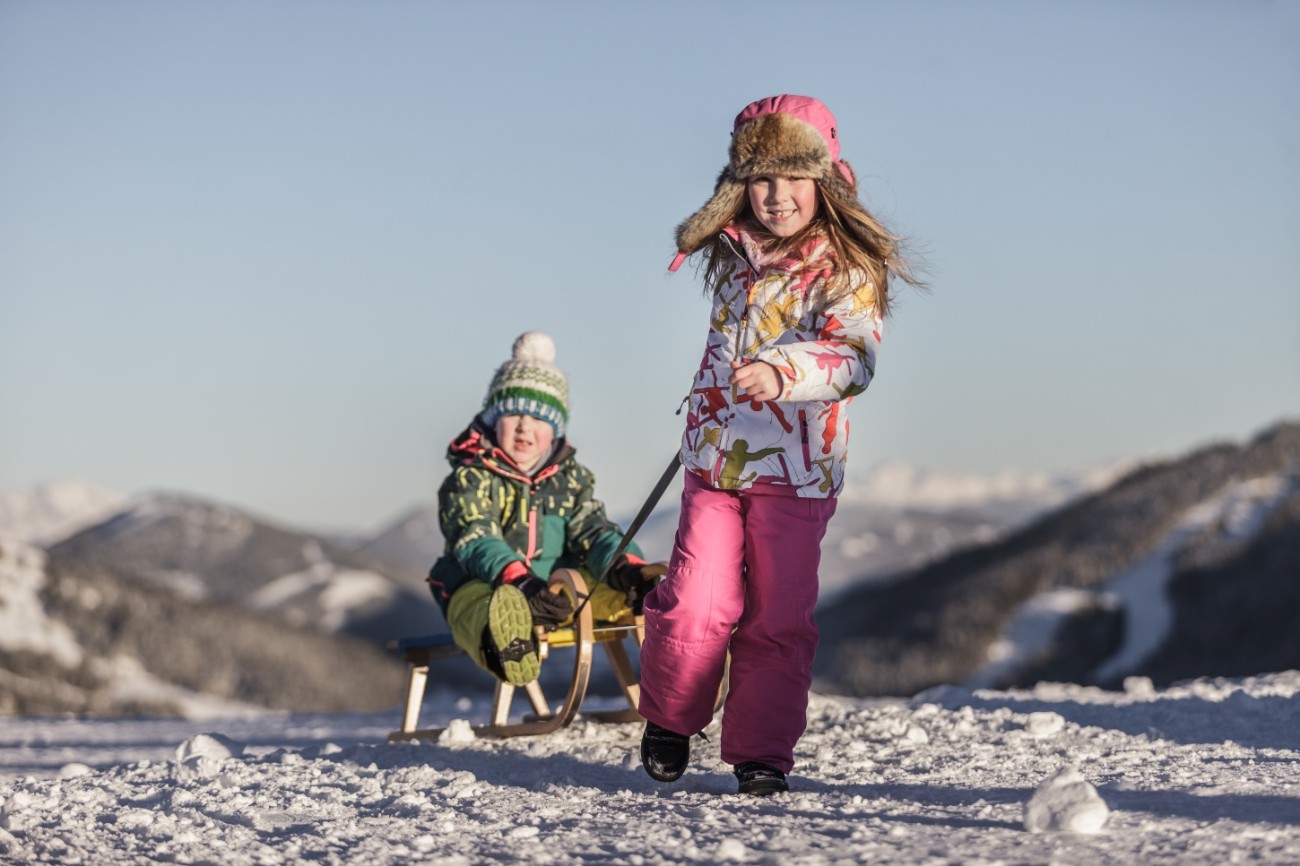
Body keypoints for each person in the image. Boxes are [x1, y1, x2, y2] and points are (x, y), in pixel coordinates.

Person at [637, 95, 922, 796]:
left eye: (792, 177)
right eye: (760, 179)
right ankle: (672, 718)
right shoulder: (735, 251)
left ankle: (761, 750)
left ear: (821, 178)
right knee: (696, 599)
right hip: (716, 459)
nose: (776, 196)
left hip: (798, 468)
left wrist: (784, 372)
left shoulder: (848, 262)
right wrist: (712, 401)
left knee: (777, 616)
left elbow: (855, 358)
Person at [427, 331, 665, 686]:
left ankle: (672, 630)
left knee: (617, 591)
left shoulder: (570, 479)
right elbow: (475, 536)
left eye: (538, 418)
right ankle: (503, 642)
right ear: (494, 419)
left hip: (557, 589)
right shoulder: (471, 476)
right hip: (487, 583)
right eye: (513, 415)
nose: (525, 426)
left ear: (554, 429)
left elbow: (594, 530)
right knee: (476, 606)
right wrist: (520, 582)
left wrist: (623, 566)